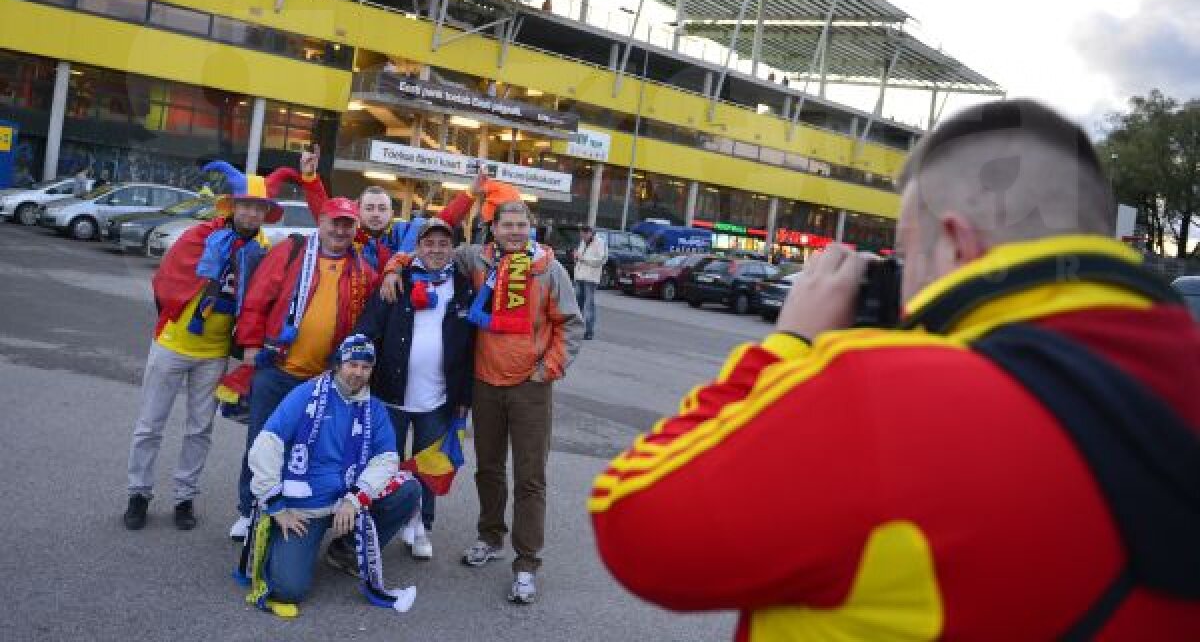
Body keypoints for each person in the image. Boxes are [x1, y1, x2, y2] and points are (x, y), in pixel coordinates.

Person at [589, 99, 1200, 639]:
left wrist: (788, 345)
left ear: (958, 244)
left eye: (907, 254)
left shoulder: (890, 395)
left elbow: (633, 525)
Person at [383, 196, 583, 604]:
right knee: (488, 469)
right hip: (484, 384)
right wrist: (392, 267)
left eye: (520, 225)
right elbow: (424, 249)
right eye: (506, 224)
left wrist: (547, 369)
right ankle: (489, 537)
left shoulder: (550, 269)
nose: (513, 231)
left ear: (531, 229)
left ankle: (526, 563)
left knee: (530, 477)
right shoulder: (473, 259)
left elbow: (571, 325)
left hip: (531, 386)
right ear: (493, 228)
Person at [124, 162, 288, 531]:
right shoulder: (199, 235)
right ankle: (138, 493)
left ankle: (184, 497)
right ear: (231, 206)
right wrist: (176, 312)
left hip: (214, 353)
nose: (250, 212)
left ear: (266, 213)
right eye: (245, 204)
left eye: (258, 207)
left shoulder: (264, 249)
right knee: (150, 424)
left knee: (199, 429)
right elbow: (166, 280)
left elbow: (264, 300)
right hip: (173, 343)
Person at [229, 196, 377, 540]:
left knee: (306, 450)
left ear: (356, 230)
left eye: (348, 225)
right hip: (276, 367)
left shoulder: (363, 272)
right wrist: (250, 343)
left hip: (322, 378)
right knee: (262, 442)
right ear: (321, 222)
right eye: (334, 223)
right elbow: (257, 299)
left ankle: (296, 509)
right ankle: (250, 508)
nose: (340, 230)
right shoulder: (291, 251)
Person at [240, 336, 422, 615]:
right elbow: (266, 445)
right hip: (304, 509)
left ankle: (345, 552)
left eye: (365, 366)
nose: (358, 373)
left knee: (408, 488)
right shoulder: (306, 394)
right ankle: (279, 544)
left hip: (346, 501)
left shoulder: (374, 408)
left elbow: (387, 459)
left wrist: (355, 499)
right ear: (338, 364)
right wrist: (277, 508)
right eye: (352, 364)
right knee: (289, 590)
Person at [353, 217, 477, 560]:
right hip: (390, 394)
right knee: (385, 462)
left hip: (438, 398)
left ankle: (422, 525)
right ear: (418, 247)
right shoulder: (398, 279)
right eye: (429, 243)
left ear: (452, 248)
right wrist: (356, 370)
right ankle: (377, 522)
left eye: (443, 244)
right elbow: (369, 326)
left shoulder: (465, 285)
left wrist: (464, 400)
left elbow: (471, 350)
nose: (435, 250)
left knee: (429, 466)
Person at [297, 144, 476, 272]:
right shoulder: (347, 236)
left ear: (392, 213)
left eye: (382, 208)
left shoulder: (407, 231)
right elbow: (325, 213)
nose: (376, 214)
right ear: (358, 211)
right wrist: (310, 178)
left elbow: (444, 219)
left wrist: (471, 193)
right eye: (370, 208)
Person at [571, 226, 607, 340]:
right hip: (580, 276)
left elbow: (601, 260)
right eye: (581, 235)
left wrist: (582, 258)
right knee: (578, 305)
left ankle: (589, 331)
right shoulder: (583, 242)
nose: (582, 237)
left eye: (584, 235)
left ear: (590, 233)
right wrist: (576, 257)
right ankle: (577, 330)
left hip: (591, 279)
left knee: (589, 306)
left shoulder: (600, 243)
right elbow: (580, 258)